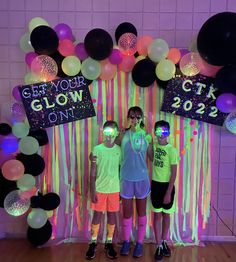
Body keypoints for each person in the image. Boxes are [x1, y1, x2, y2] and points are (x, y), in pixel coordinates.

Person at [116, 106, 152, 258]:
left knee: (141, 212)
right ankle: (125, 241)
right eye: (132, 116)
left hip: (142, 179)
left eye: (138, 116)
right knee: (127, 213)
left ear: (142, 118)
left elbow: (151, 157)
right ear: (128, 118)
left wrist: (152, 143)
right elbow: (112, 152)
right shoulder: (123, 135)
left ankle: (139, 243)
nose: (134, 119)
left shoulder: (147, 136)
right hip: (126, 179)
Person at [85, 120, 121, 260]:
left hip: (114, 189)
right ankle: (93, 242)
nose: (109, 135)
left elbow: (120, 170)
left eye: (112, 132)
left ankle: (109, 242)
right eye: (106, 132)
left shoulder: (119, 150)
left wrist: (122, 191)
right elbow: (93, 173)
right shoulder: (97, 149)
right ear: (103, 132)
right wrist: (93, 190)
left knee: (112, 216)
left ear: (117, 133)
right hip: (100, 189)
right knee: (97, 216)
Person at [148, 120, 178, 261]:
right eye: (158, 131)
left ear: (169, 133)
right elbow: (152, 159)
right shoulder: (154, 145)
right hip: (155, 185)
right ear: (155, 133)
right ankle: (158, 244)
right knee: (157, 216)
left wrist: (168, 192)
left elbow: (174, 173)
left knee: (166, 215)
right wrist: (149, 144)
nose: (161, 134)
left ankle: (164, 240)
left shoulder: (172, 150)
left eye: (164, 131)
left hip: (167, 186)